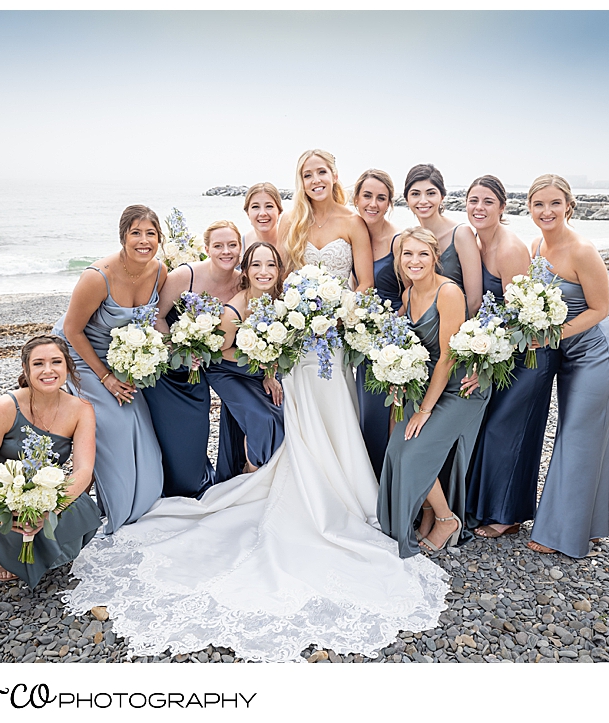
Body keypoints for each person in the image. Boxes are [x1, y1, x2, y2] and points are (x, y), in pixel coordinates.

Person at [63, 151, 449, 663]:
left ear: (334, 176)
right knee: (294, 416)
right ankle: (288, 481)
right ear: (301, 180)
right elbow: (269, 281)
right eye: (307, 173)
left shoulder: (353, 222)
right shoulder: (288, 221)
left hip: (331, 337)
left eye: (322, 172)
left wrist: (334, 314)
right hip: (295, 338)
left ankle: (348, 490)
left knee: (338, 416)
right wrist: (284, 332)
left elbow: (359, 281)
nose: (315, 180)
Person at [523, 174, 609, 558]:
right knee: (584, 436)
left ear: (568, 205)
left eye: (554, 203)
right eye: (538, 204)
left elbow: (601, 309)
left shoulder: (582, 250)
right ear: (529, 208)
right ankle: (590, 525)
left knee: (577, 438)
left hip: (597, 355)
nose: (546, 211)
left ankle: (559, 534)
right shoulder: (535, 246)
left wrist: (551, 336)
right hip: (567, 355)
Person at [0, 336, 102, 586]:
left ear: (67, 367)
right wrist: (5, 513)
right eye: (38, 364)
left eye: (56, 362)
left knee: (84, 506)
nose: (48, 370)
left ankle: (28, 545)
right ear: (26, 369)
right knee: (6, 526)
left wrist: (51, 509)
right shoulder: (5, 407)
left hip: (44, 492)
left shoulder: (81, 409)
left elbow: (84, 469)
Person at [53, 205, 165, 534]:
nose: (144, 241)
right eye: (136, 233)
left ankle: (141, 504)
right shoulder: (96, 277)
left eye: (151, 234)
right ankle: (113, 510)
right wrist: (106, 378)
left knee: (143, 432)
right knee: (115, 427)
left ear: (159, 238)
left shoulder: (160, 272)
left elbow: (155, 320)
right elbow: (72, 331)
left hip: (122, 360)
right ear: (122, 237)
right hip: (82, 357)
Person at [378, 227, 490, 558]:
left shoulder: (449, 293)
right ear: (399, 260)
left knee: (413, 453)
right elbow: (400, 342)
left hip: (459, 389)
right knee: (396, 451)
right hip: (427, 385)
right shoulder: (408, 295)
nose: (415, 261)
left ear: (434, 257)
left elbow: (448, 357)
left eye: (422, 254)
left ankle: (446, 520)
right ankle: (426, 513)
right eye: (407, 254)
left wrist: (423, 411)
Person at [464, 175, 557, 539]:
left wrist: (484, 360)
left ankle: (509, 513)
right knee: (492, 427)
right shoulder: (476, 242)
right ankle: (485, 505)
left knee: (510, 430)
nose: (479, 208)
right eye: (473, 200)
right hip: (504, 349)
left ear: (503, 207)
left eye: (488, 201)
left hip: (528, 354)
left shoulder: (508, 248)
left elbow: (520, 315)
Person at [147, 220, 243, 498]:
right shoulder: (184, 276)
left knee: (195, 440)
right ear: (207, 249)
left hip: (207, 370)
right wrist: (179, 351)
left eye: (232, 245)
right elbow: (157, 316)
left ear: (240, 248)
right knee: (171, 437)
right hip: (172, 373)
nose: (226, 251)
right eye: (218, 246)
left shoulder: (242, 283)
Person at [206, 241, 285, 482]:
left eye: (271, 265)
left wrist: (270, 373)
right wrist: (256, 360)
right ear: (246, 271)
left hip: (259, 370)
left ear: (279, 269)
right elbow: (217, 352)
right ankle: (250, 475)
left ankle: (259, 468)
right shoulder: (234, 311)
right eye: (256, 265)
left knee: (281, 416)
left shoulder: (281, 302)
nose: (264, 272)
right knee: (261, 418)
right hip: (227, 370)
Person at [352, 169, 402, 477]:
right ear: (355, 198)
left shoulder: (398, 241)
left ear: (389, 203)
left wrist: (392, 326)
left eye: (381, 198)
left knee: (381, 415)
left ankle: (386, 491)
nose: (373, 203)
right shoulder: (350, 232)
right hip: (360, 335)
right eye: (367, 196)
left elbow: (412, 292)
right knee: (363, 414)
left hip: (391, 335)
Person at [403, 163, 482, 316]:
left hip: (458, 328)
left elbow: (475, 301)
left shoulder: (461, 234)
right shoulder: (411, 239)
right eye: (415, 194)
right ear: (407, 199)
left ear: (442, 197)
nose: (423, 200)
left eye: (431, 193)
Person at [240, 182, 284, 255]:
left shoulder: (292, 243)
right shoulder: (240, 245)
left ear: (279, 211)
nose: (262, 213)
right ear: (248, 213)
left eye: (269, 206)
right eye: (255, 207)